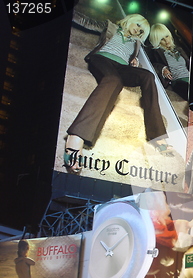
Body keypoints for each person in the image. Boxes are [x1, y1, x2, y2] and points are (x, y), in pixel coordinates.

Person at [64, 12, 169, 173]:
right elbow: (84, 20)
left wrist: (135, 60)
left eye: (142, 32)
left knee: (148, 75)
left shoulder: (136, 44)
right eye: (138, 25)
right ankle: (76, 136)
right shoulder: (111, 26)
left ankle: (158, 135)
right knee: (114, 81)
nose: (138, 31)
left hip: (122, 67)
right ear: (130, 20)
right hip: (103, 60)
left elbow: (138, 59)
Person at [148, 23, 190, 101]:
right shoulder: (156, 52)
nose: (166, 40)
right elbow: (151, 64)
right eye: (162, 39)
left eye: (166, 36)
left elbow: (189, 63)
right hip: (177, 82)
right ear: (157, 40)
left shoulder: (178, 49)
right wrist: (163, 69)